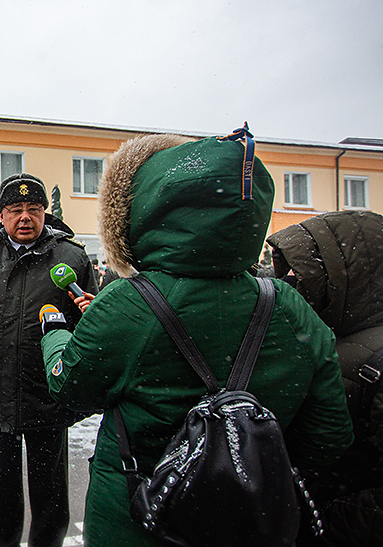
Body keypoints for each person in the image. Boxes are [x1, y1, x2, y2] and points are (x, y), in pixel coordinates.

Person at [39, 132, 354, 546]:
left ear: (147, 210)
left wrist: (55, 333)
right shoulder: (287, 303)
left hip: (140, 517)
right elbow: (329, 436)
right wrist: (245, 463)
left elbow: (69, 385)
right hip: (253, 521)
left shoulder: (129, 303)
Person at [0, 173, 98, 547]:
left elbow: (90, 330)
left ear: (45, 212)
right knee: (2, 489)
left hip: (49, 394)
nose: (25, 217)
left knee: (51, 492)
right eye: (16, 209)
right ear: (1, 214)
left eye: (34, 209)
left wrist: (82, 387)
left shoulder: (72, 258)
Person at [267, 210, 383, 546]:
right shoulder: (322, 337)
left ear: (348, 277)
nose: (291, 282)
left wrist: (328, 521)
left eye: (303, 272)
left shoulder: (370, 359)